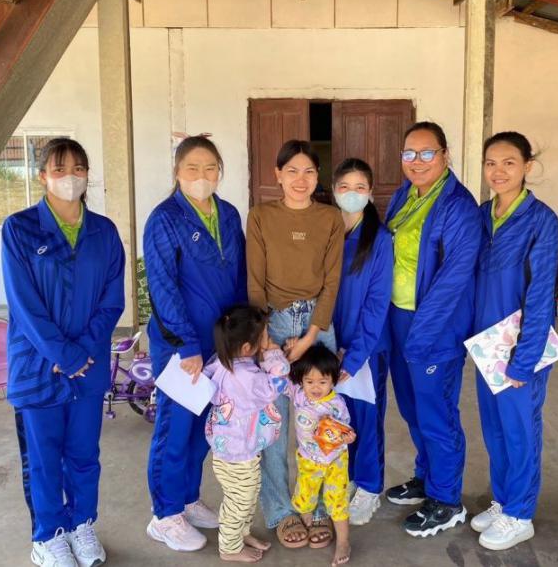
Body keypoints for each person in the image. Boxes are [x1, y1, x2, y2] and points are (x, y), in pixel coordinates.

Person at [2, 137, 125, 567]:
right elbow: (23, 303)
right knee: (43, 459)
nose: (70, 177)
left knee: (84, 455)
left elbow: (112, 300)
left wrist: (84, 351)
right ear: (42, 176)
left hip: (87, 366)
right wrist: (63, 354)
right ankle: (48, 535)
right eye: (59, 169)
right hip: (39, 366)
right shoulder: (20, 229)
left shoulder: (104, 232)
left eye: (78, 168)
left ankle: (81, 524)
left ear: (87, 174)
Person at [143, 136, 247, 553]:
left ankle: (187, 498)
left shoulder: (229, 214)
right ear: (177, 172)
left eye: (210, 168)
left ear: (220, 171)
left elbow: (239, 276)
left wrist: (241, 333)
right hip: (181, 348)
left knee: (204, 429)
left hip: (219, 344)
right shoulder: (164, 219)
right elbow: (163, 287)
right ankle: (165, 514)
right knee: (175, 430)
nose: (201, 176)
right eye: (192, 168)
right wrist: (187, 344)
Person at [383, 121, 482, 537]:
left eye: (427, 153)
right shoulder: (405, 195)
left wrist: (421, 337)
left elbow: (452, 280)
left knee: (437, 413)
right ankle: (426, 477)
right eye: (409, 153)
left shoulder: (458, 207)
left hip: (436, 327)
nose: (417, 161)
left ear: (445, 155)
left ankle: (446, 499)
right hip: (400, 319)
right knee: (412, 409)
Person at [246, 140, 345, 549]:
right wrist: (264, 336)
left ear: (317, 177)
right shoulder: (261, 215)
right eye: (292, 171)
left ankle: (317, 508)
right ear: (278, 175)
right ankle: (281, 510)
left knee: (320, 421)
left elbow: (332, 280)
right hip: (273, 320)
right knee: (275, 424)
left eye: (308, 172)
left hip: (317, 325)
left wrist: (310, 337)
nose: (300, 180)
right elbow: (255, 279)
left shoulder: (330, 217)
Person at [470, 132, 558, 551]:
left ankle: (520, 513)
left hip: (520, 345)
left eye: (509, 162)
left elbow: (540, 294)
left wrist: (524, 360)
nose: (499, 171)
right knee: (495, 429)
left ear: (527, 166)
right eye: (491, 163)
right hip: (486, 343)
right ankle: (504, 500)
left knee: (520, 430)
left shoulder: (541, 220)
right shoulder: (481, 215)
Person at [331, 158, 393, 526]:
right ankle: (348, 477)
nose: (352, 194)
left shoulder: (379, 239)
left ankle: (370, 487)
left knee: (367, 418)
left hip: (366, 348)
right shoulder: (328, 231)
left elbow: (377, 303)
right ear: (334, 190)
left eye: (359, 187)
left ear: (369, 193)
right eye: (345, 187)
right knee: (339, 416)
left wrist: (353, 356)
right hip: (330, 343)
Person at [204, 305, 289, 564]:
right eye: (264, 336)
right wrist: (273, 354)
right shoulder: (245, 376)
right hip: (238, 455)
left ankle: (241, 534)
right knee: (239, 501)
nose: (268, 340)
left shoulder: (221, 362)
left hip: (232, 449)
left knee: (248, 495)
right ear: (246, 348)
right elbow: (277, 383)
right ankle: (229, 547)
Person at [287, 345, 357, 567]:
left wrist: (348, 437)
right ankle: (308, 518)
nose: (315, 387)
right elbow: (282, 373)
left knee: (337, 500)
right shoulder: (299, 394)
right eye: (309, 381)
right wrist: (289, 351)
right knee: (304, 498)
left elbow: (345, 430)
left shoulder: (337, 404)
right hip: (308, 460)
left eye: (322, 382)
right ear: (301, 381)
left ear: (333, 381)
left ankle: (343, 542)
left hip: (335, 460)